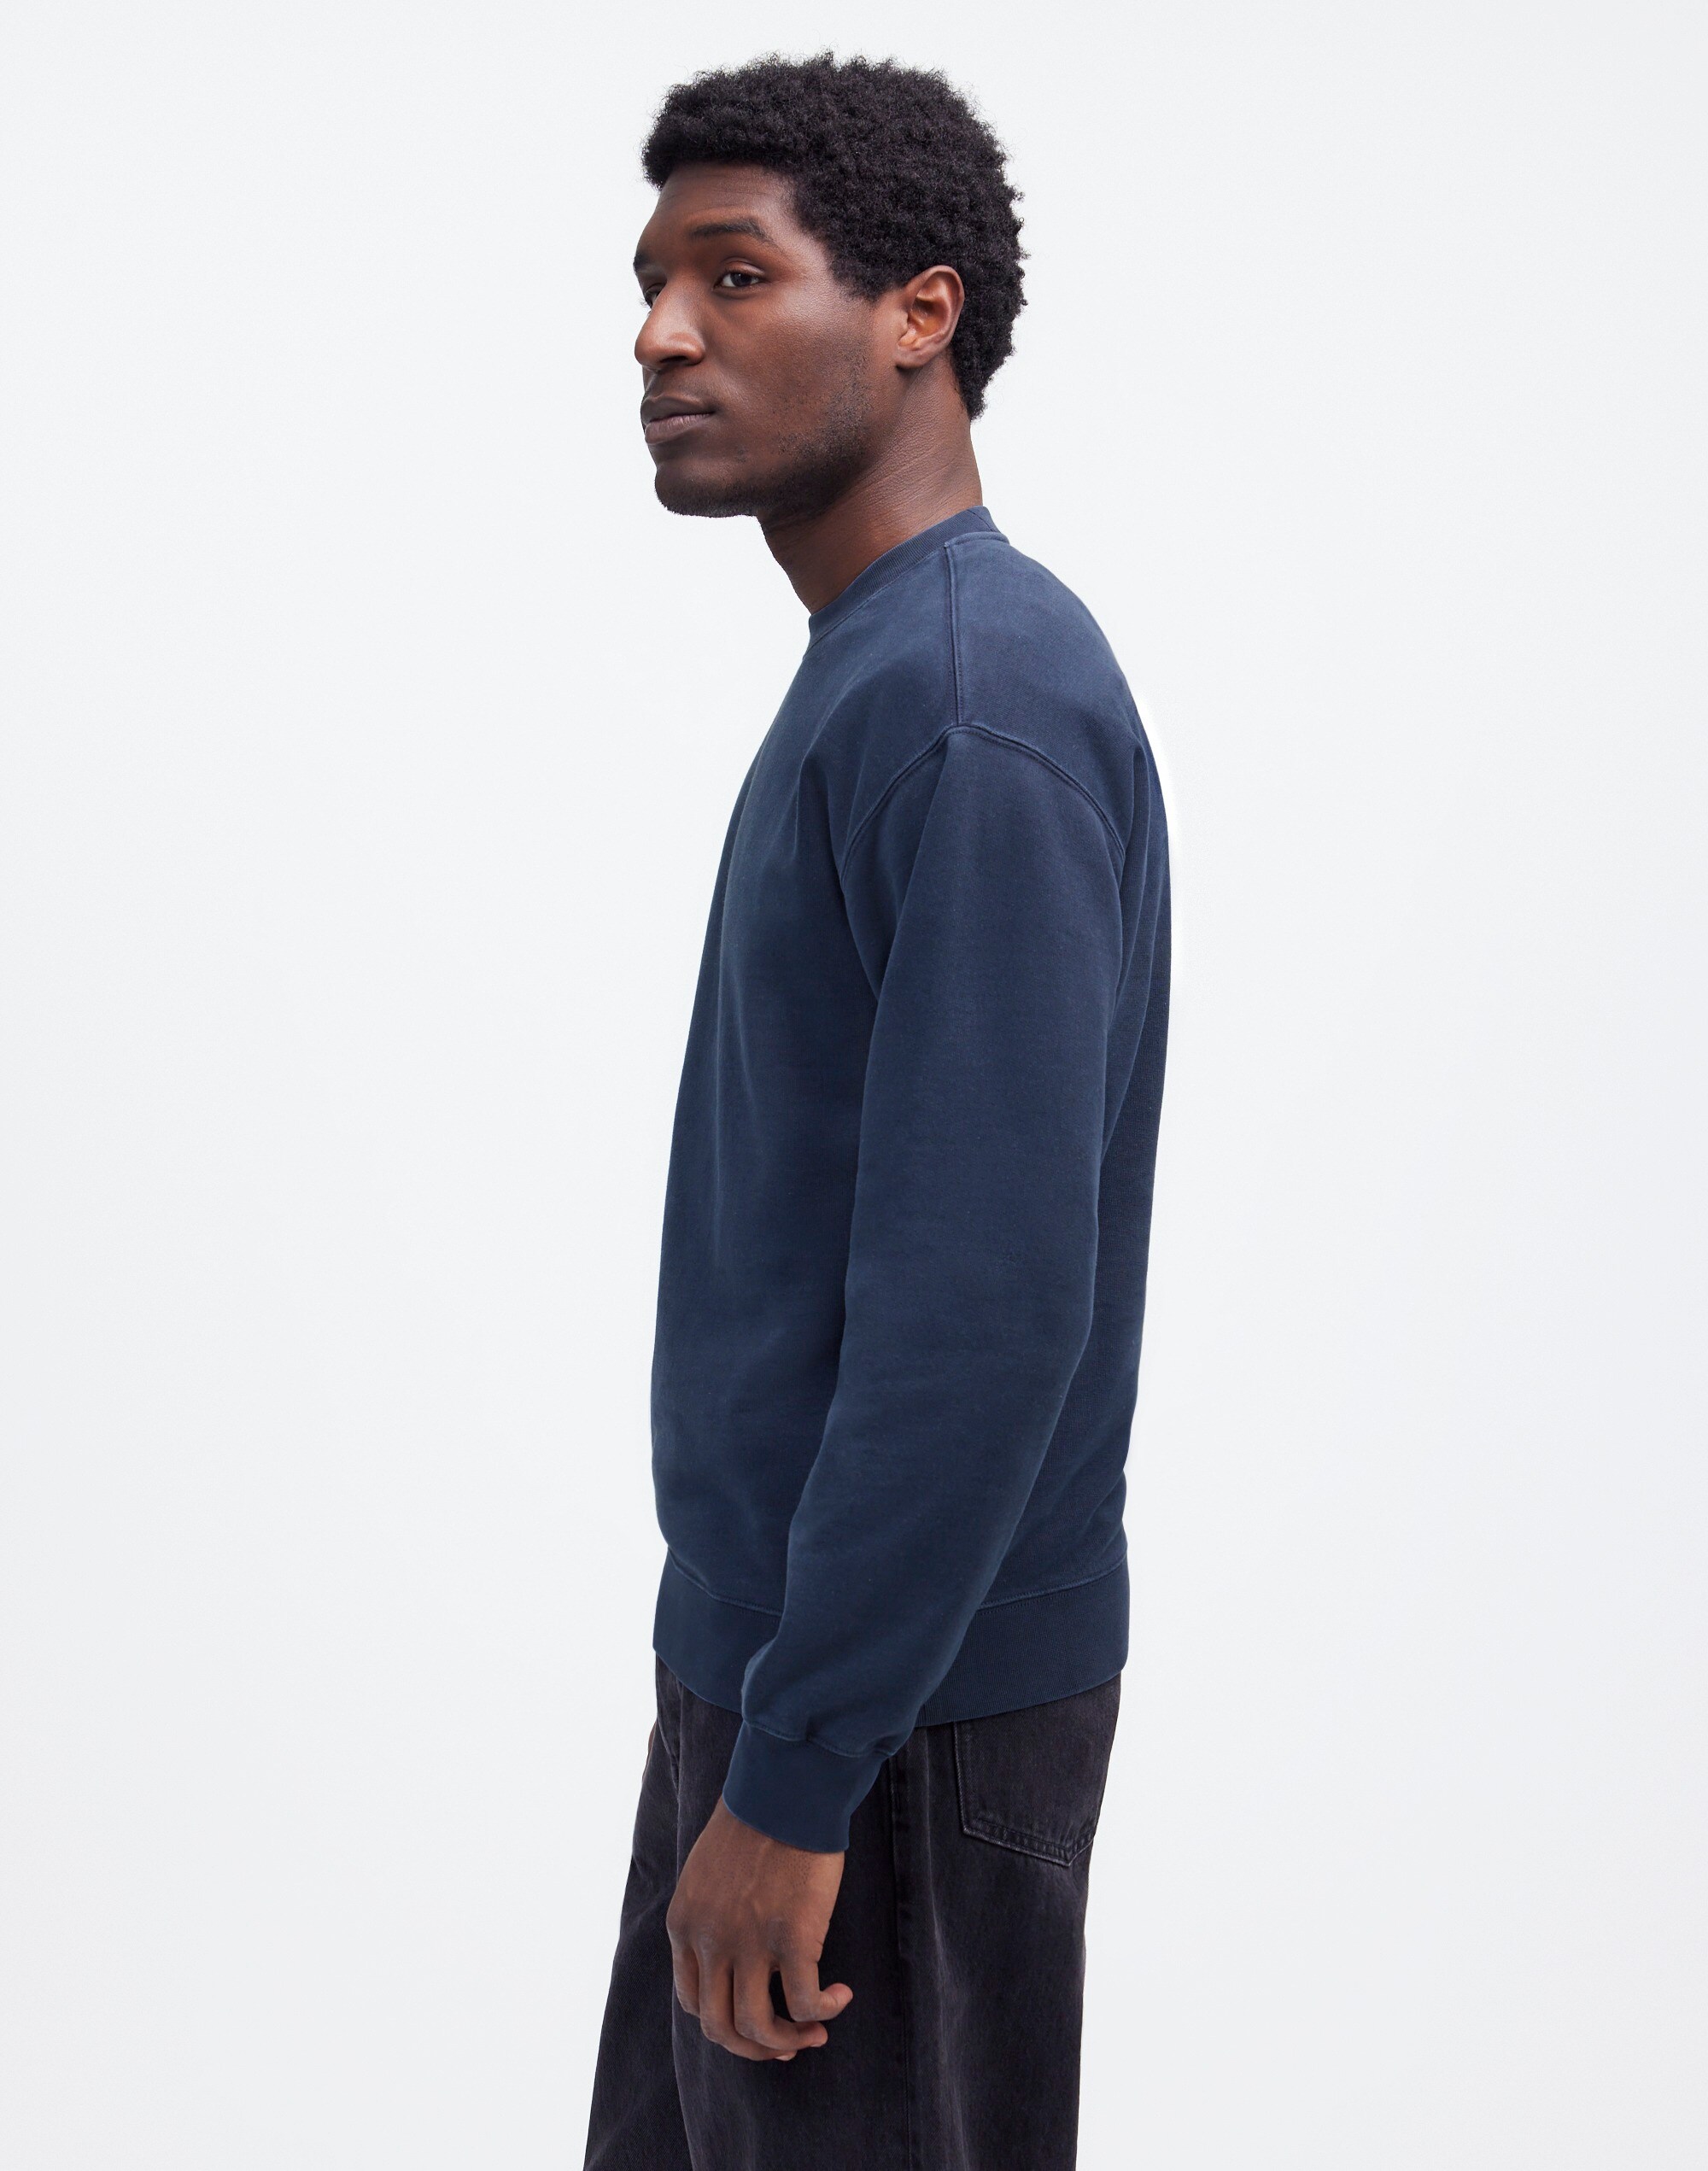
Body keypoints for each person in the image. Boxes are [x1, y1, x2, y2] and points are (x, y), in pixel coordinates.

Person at [583, 52, 1171, 2171]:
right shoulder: (888, 667)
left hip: (889, 1721)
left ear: (921, 313)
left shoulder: (969, 701)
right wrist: (763, 1724)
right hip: (797, 1678)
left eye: (734, 277)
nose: (661, 335)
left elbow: (981, 1311)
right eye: (650, 285)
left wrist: (803, 1768)